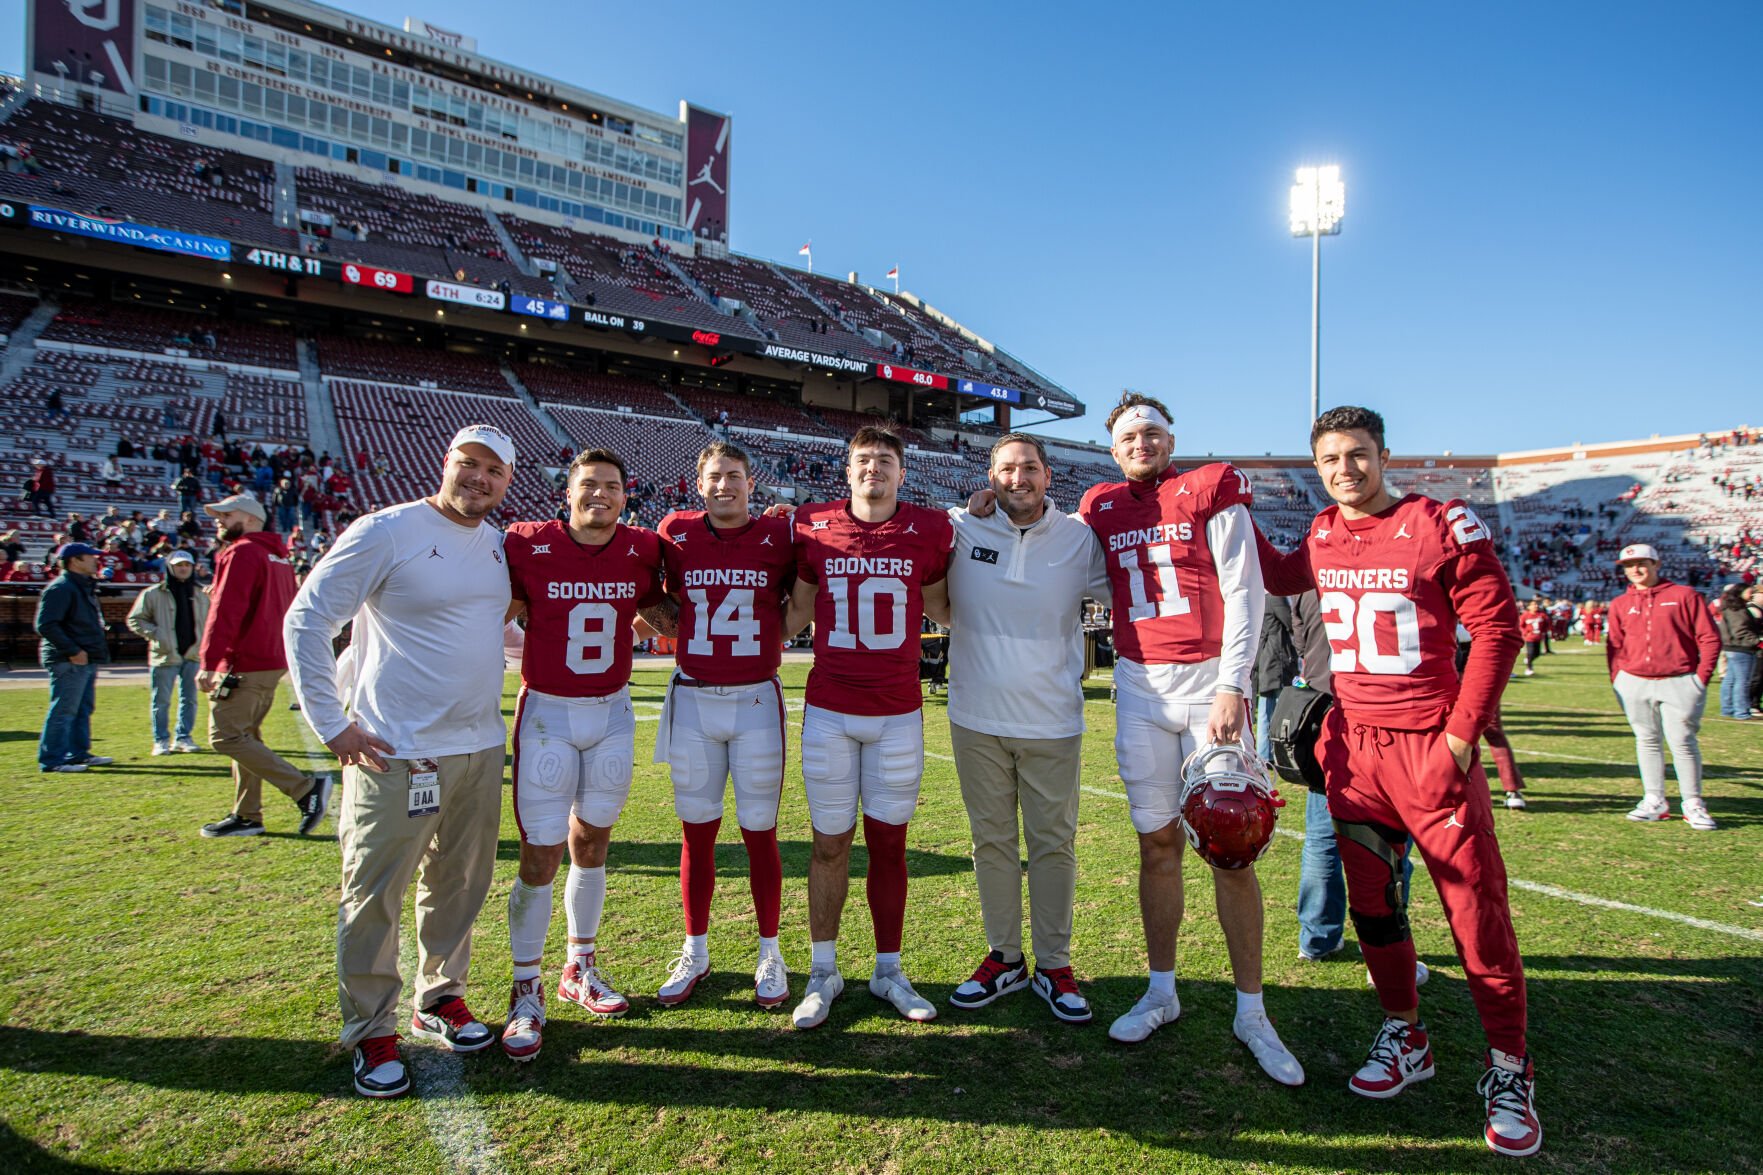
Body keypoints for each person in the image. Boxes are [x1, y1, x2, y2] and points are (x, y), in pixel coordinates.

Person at [1257, 405, 1538, 1157]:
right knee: (1374, 908)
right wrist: (1224, 512)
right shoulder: (1320, 533)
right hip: (1354, 748)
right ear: (1315, 467)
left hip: (1426, 746)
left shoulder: (1440, 523)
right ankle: (1405, 1033)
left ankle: (1509, 1066)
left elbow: (1498, 629)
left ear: (1384, 455)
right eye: (1328, 459)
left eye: (1356, 454)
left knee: (1475, 913)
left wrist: (1459, 734)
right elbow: (1280, 573)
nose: (1343, 469)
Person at [1071, 394, 1302, 1088]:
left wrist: (1233, 682)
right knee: (1156, 843)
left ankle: (1252, 1009)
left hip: (1208, 685)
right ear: (1111, 449)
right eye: (1126, 436)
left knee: (1231, 847)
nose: (1139, 442)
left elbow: (1245, 587)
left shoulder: (1209, 488)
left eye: (1150, 432)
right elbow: (1076, 576)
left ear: (1170, 438)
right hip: (1139, 689)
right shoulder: (1101, 506)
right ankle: (1161, 989)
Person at [284, 424, 517, 1099]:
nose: (478, 479)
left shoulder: (498, 547)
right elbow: (306, 619)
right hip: (395, 748)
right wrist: (332, 723)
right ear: (446, 464)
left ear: (507, 481)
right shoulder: (385, 530)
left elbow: (495, 629)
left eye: (493, 471)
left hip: (476, 744)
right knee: (374, 893)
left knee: (461, 883)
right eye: (468, 465)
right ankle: (370, 1027)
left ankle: (440, 995)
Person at [498, 448, 673, 1064]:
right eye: (589, 485)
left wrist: (626, 631)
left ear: (627, 496)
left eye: (613, 487)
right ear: (566, 493)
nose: (601, 495)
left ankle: (579, 966)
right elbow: (497, 612)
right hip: (547, 710)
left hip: (613, 711)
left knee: (593, 842)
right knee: (540, 852)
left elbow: (663, 614)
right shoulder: (527, 543)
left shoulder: (640, 549)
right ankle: (526, 987)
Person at [932, 433, 1110, 1024]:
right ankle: (1005, 957)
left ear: (1048, 476)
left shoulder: (1080, 539)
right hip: (975, 718)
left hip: (1052, 719)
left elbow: (1138, 585)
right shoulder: (959, 526)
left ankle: (1055, 964)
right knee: (992, 843)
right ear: (989, 477)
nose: (1017, 479)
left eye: (1028, 468)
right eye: (1005, 469)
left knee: (1053, 845)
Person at [781, 427, 954, 1030]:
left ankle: (888, 969)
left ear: (901, 473)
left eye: (885, 460)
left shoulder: (929, 529)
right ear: (846, 470)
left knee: (889, 845)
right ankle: (822, 970)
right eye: (863, 460)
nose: (873, 469)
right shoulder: (811, 523)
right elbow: (794, 614)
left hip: (899, 712)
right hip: (830, 710)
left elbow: (943, 607)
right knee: (829, 843)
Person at [650, 441, 795, 1015]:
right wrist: (681, 630)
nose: (724, 485)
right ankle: (696, 949)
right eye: (714, 476)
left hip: (757, 698)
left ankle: (770, 950)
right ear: (698, 481)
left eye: (734, 476)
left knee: (760, 829)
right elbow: (652, 597)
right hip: (694, 698)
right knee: (697, 832)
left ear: (750, 483)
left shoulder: (779, 533)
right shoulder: (674, 531)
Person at [195, 494, 331, 839]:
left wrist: (210, 660)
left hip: (244, 660)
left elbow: (225, 610)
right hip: (270, 657)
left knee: (225, 736)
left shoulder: (242, 552)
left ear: (252, 518)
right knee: (246, 736)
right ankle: (247, 814)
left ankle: (303, 788)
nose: (220, 520)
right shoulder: (278, 557)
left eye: (228, 514)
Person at [1605, 543, 1721, 829]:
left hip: (1679, 681)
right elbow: (1615, 646)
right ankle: (1654, 799)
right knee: (1646, 740)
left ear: (1657, 564)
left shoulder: (1685, 596)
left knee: (1682, 742)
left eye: (1642, 563)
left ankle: (1692, 802)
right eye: (1629, 566)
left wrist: (1699, 679)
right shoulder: (1620, 603)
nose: (1636, 570)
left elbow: (1709, 638)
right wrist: (1617, 678)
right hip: (1634, 681)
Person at [35, 543, 114, 773]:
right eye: (91, 557)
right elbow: (46, 625)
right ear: (75, 560)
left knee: (82, 708)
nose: (96, 560)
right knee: (64, 709)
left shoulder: (81, 586)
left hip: (84, 656)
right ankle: (52, 760)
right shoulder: (62, 587)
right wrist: (72, 650)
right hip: (68, 658)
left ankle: (78, 753)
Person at [126, 550, 209, 755]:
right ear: (170, 567)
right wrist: (156, 634)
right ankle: (161, 739)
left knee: (189, 699)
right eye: (179, 565)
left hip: (192, 653)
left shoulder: (201, 593)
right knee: (161, 701)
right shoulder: (153, 593)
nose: (183, 569)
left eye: (187, 565)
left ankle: (183, 737)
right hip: (165, 654)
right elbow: (135, 619)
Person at [1253, 594, 1299, 763]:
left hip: (1267, 661)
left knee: (1266, 711)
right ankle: (1270, 754)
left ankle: (1264, 754)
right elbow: (1290, 622)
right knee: (1277, 712)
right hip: (1276, 663)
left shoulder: (1261, 599)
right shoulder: (1275, 598)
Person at [1715, 583, 1759, 720]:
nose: (1751, 595)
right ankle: (1741, 712)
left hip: (1732, 647)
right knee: (1742, 681)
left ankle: (1727, 709)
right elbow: (1740, 631)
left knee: (1731, 680)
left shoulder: (1731, 608)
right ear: (1740, 592)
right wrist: (1758, 642)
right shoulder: (1738, 610)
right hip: (1741, 648)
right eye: (1749, 592)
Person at [1517, 599, 1547, 676]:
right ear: (1529, 607)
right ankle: (1529, 668)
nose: (1535, 606)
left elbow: (1546, 624)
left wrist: (1543, 632)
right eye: (1533, 604)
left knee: (1537, 653)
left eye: (1536, 604)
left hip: (1538, 636)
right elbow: (1520, 625)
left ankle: (1528, 660)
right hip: (1530, 637)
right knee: (1530, 652)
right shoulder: (1525, 615)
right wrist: (1525, 633)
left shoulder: (1541, 615)